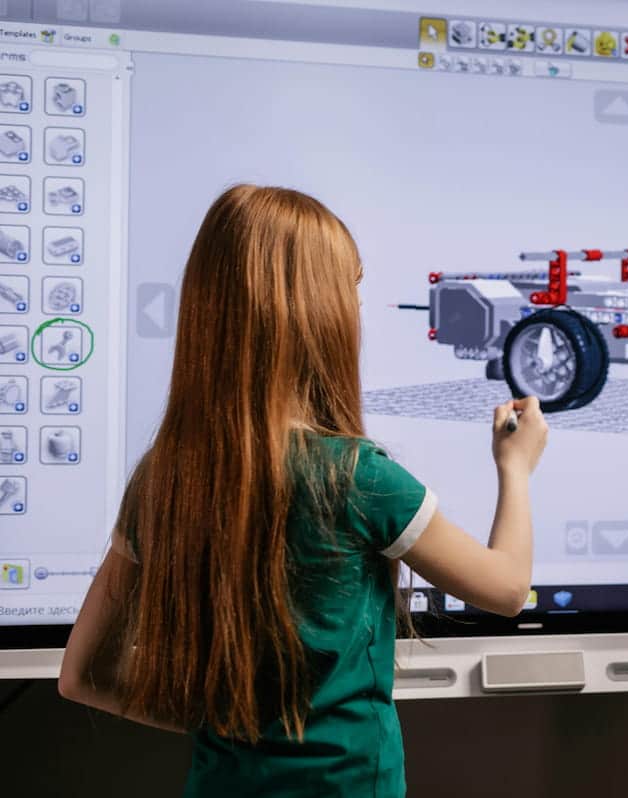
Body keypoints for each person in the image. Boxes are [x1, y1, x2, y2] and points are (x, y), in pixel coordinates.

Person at [57, 184, 549, 797]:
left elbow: (79, 677)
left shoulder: (164, 477)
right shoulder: (358, 477)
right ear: (316, 310)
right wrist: (515, 468)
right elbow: (505, 590)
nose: (358, 308)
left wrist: (222, 728)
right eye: (353, 288)